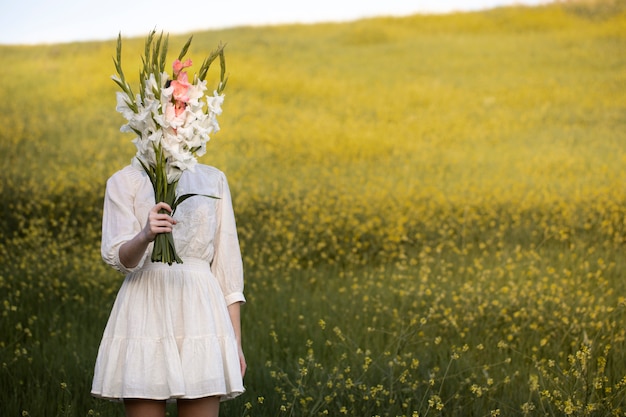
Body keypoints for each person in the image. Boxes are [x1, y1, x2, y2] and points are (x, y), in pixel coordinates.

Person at [91, 157, 246, 417]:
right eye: (169, 111)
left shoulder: (213, 179)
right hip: (145, 311)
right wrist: (145, 235)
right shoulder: (124, 181)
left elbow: (227, 269)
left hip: (202, 314)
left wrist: (235, 342)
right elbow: (121, 260)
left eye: (187, 111)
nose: (179, 114)